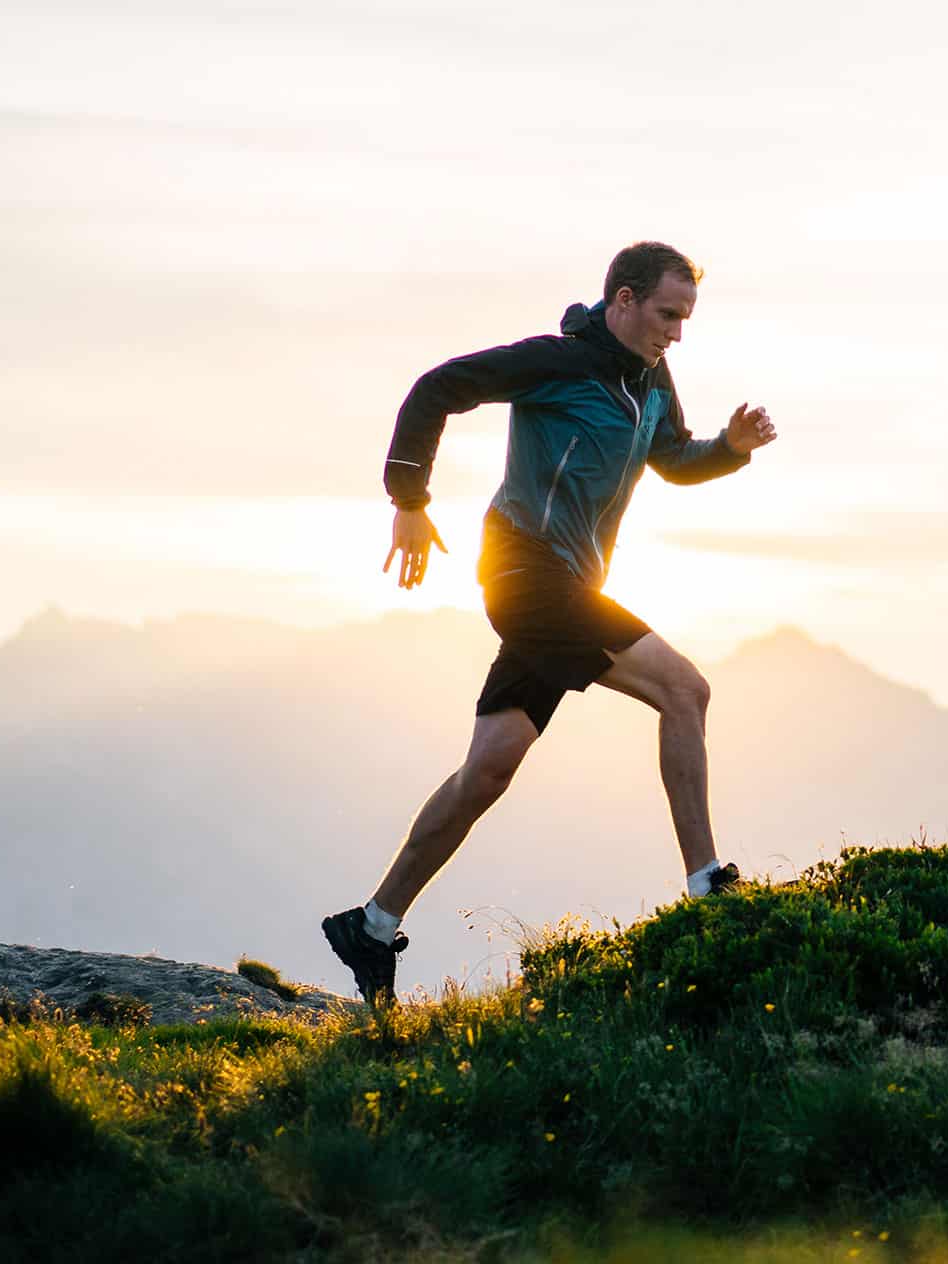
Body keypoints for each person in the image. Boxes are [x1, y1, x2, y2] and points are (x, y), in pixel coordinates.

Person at [322, 241, 777, 1007]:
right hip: (527, 574)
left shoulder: (651, 381)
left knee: (489, 769)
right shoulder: (556, 362)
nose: (677, 332)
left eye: (686, 319)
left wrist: (727, 451)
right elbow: (438, 387)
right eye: (668, 314)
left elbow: (672, 459)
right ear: (623, 301)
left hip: (569, 583)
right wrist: (409, 500)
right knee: (685, 690)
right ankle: (709, 889)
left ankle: (370, 924)